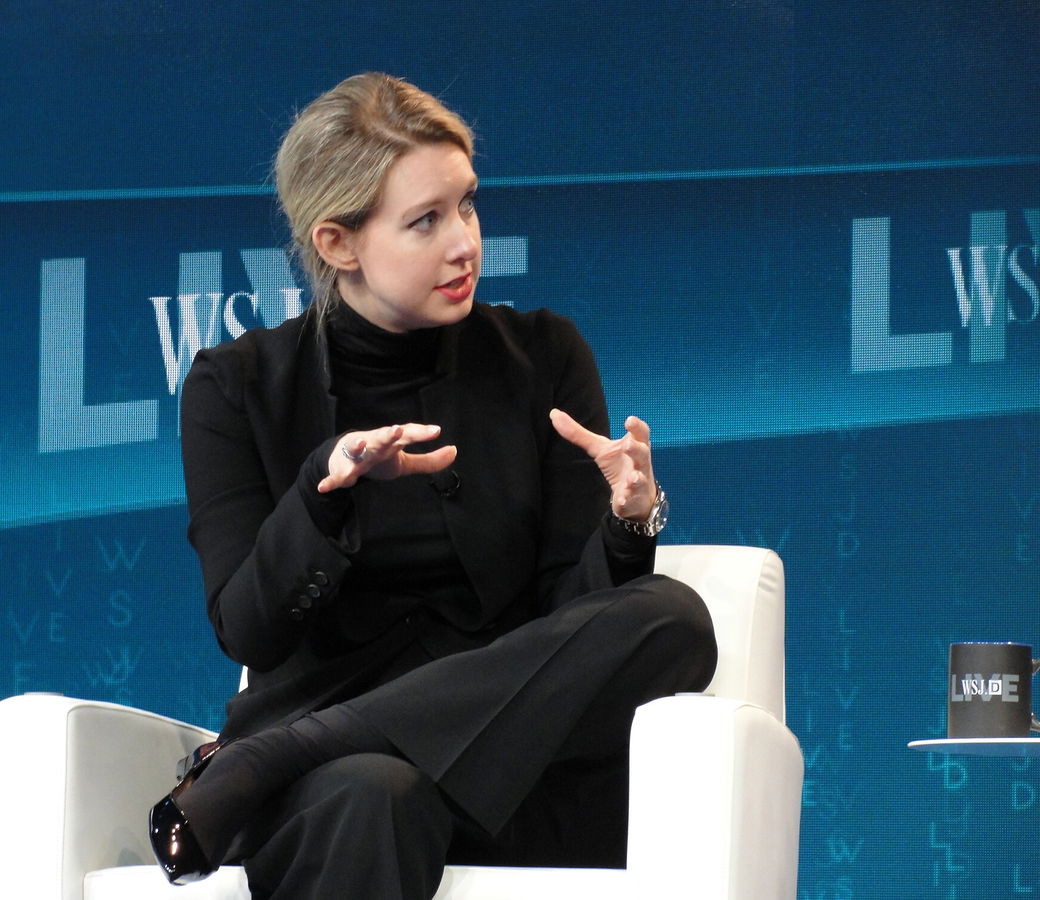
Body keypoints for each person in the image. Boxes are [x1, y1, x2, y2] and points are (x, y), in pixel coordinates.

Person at [149, 72, 717, 900]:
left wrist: (628, 529)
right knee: (376, 793)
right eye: (426, 221)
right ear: (339, 243)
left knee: (675, 618)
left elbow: (572, 615)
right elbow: (248, 630)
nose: (465, 244)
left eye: (469, 206)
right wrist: (321, 495)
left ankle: (279, 753)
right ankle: (311, 754)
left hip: (515, 771)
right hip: (339, 794)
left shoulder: (544, 356)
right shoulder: (235, 388)